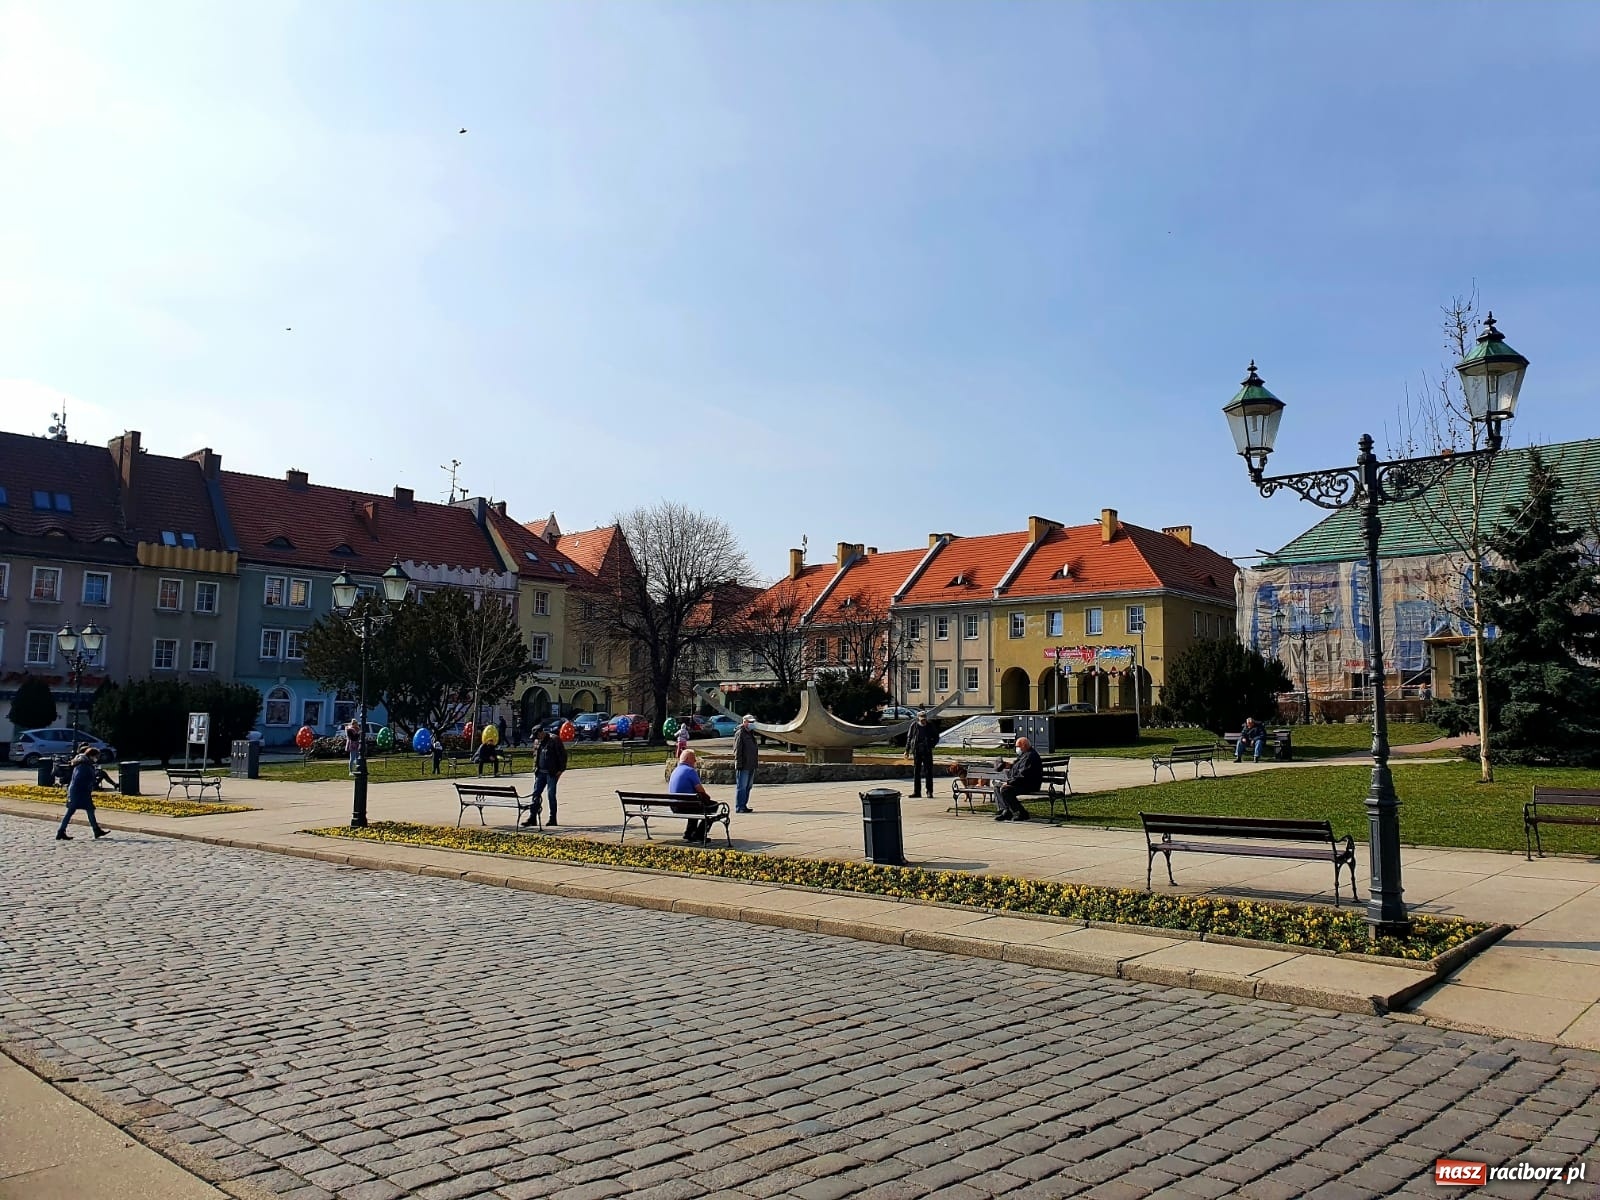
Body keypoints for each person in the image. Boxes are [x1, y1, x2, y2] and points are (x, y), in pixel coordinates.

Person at [56, 747, 109, 841]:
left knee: (84, 810)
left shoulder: (82, 763)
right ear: (91, 756)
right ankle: (61, 831)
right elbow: (80, 778)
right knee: (78, 810)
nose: (97, 758)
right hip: (80, 791)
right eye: (96, 756)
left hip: (78, 790)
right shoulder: (84, 765)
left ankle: (96, 830)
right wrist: (92, 781)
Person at [667, 749, 715, 843]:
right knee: (712, 807)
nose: (695, 761)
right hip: (686, 806)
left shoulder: (675, 771)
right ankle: (699, 834)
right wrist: (708, 798)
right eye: (693, 758)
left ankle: (689, 833)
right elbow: (700, 790)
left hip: (674, 806)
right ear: (687, 759)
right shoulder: (690, 771)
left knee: (695, 805)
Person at [525, 729, 568, 827]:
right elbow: (535, 755)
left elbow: (562, 756)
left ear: (541, 732)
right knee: (536, 794)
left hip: (551, 773)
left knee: (551, 795)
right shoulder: (537, 741)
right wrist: (535, 768)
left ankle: (552, 818)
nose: (536, 739)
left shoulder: (554, 740)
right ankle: (532, 817)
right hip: (540, 773)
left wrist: (560, 770)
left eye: (537, 736)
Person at [995, 736, 1041, 822]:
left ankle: (1022, 813)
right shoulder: (1024, 755)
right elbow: (1018, 767)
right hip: (1020, 782)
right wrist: (1010, 766)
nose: (1016, 749)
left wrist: (1009, 782)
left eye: (1017, 746)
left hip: (1028, 784)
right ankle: (1006, 811)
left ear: (1024, 746)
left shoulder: (1030, 756)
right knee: (997, 787)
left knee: (1006, 790)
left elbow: (1023, 775)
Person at [907, 710, 938, 799]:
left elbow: (936, 737)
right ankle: (917, 792)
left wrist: (931, 745)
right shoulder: (914, 725)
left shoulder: (930, 726)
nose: (923, 721)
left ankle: (929, 791)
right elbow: (909, 737)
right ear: (918, 718)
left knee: (928, 772)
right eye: (921, 719)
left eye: (924, 719)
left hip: (927, 751)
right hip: (917, 750)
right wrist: (907, 750)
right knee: (916, 772)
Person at [733, 714, 759, 814]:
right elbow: (737, 750)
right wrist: (739, 764)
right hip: (743, 765)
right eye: (750, 722)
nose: (752, 724)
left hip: (751, 765)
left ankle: (744, 805)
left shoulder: (751, 734)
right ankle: (739, 807)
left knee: (748, 787)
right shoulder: (740, 733)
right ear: (745, 722)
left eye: (753, 722)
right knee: (742, 787)